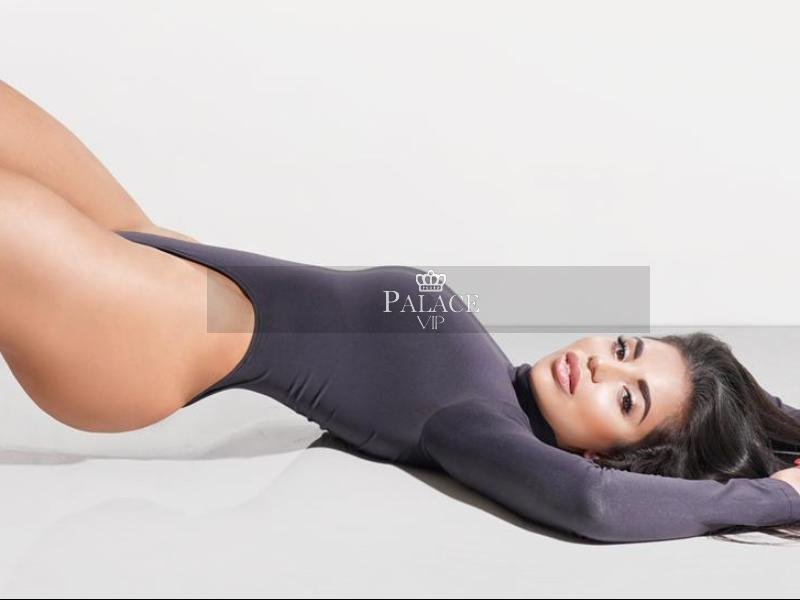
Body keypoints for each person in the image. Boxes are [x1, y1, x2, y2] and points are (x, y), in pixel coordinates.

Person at [1, 79, 800, 544]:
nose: (599, 365)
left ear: (604, 455)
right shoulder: (494, 374)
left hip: (149, 331)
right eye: (624, 348)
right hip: (156, 249)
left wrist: (783, 497)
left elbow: (591, 506)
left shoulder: (476, 424)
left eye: (625, 400)